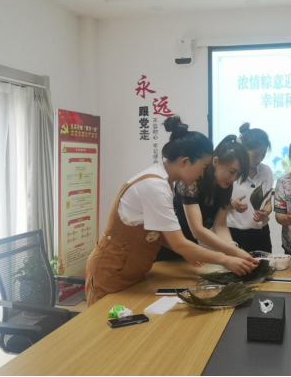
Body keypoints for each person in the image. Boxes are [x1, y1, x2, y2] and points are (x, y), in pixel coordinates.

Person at [85, 117, 257, 305]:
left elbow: (159, 232)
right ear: (185, 162)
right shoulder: (155, 186)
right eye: (203, 167)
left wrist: (188, 253)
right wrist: (225, 260)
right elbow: (180, 242)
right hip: (111, 269)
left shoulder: (165, 183)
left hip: (132, 269)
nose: (202, 173)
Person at [157, 134, 259, 263]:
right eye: (232, 172)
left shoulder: (226, 184)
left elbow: (220, 225)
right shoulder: (192, 180)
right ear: (215, 162)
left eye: (238, 175)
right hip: (172, 244)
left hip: (192, 247)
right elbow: (197, 230)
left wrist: (232, 247)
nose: (233, 179)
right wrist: (233, 252)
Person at [227, 123, 274, 253]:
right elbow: (216, 202)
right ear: (243, 150)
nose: (259, 159)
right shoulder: (231, 171)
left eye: (263, 154)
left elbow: (268, 201)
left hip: (261, 233)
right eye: (255, 155)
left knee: (265, 264)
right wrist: (232, 204)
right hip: (234, 232)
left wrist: (266, 212)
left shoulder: (266, 171)